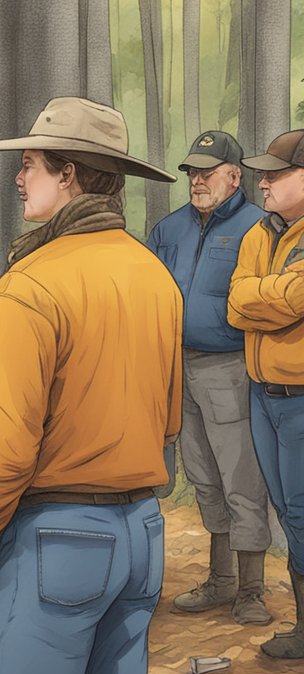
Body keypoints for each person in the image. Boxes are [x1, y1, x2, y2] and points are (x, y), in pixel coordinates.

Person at [0, 97, 181, 674]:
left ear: (70, 174)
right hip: (142, 534)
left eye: (29, 165)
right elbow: (167, 419)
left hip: (57, 542)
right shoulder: (155, 276)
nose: (19, 179)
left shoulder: (30, 286)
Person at [147, 130, 272, 625]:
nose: (197, 180)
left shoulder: (259, 228)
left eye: (207, 171)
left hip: (231, 368)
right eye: (193, 172)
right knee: (202, 475)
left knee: (241, 477)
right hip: (177, 367)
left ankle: (253, 590)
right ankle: (220, 581)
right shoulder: (169, 228)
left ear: (235, 176)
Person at [229, 128, 304, 660]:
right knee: (286, 509)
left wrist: (263, 296)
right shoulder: (259, 233)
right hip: (263, 396)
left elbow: (295, 300)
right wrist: (267, 296)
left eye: (276, 175)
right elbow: (235, 304)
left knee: (301, 511)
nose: (264, 183)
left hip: (301, 398)